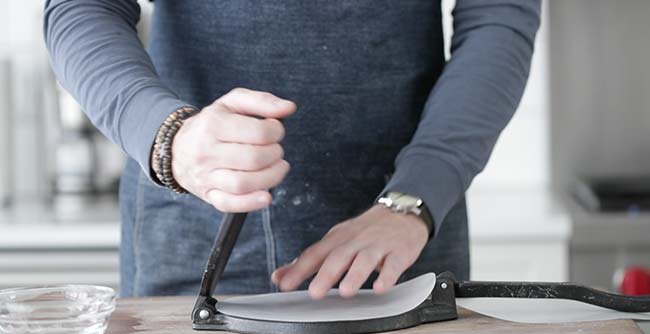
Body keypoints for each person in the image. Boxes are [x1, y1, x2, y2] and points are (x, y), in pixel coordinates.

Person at [44, 0, 540, 298]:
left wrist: (417, 195)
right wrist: (164, 134)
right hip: (193, 230)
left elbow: (498, 19)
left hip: (401, 231)